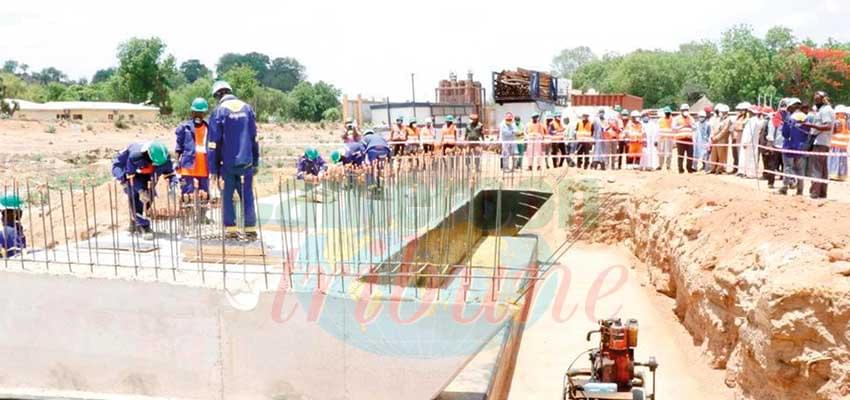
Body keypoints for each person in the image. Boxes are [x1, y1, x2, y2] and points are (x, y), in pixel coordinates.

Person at [208, 80, 260, 240]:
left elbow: (213, 144)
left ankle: (231, 230)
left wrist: (213, 169)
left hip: (227, 165)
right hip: (247, 163)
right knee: (247, 196)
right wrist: (256, 161)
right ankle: (250, 230)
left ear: (218, 95)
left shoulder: (218, 112)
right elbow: (254, 138)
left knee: (228, 198)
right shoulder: (247, 108)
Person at [112, 141, 178, 240]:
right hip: (127, 171)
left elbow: (170, 174)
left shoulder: (164, 159)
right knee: (135, 197)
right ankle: (144, 226)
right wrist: (140, 190)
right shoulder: (135, 157)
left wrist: (173, 186)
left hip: (149, 175)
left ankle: (135, 220)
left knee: (149, 196)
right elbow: (131, 177)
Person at [175, 97, 210, 203]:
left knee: (204, 196)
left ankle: (202, 218)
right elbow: (178, 147)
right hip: (187, 168)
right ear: (192, 112)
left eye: (201, 113)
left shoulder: (209, 127)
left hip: (204, 168)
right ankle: (189, 217)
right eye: (196, 112)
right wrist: (177, 162)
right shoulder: (184, 128)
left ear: (204, 113)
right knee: (187, 196)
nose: (198, 115)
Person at [801, 91, 836, 199]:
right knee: (823, 168)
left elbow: (827, 126)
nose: (815, 100)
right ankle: (822, 192)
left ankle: (815, 192)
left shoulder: (825, 110)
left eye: (817, 99)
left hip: (820, 142)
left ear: (823, 99)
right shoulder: (825, 110)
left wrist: (811, 125)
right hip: (823, 142)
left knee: (816, 168)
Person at [779, 98, 808, 195]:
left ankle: (785, 187)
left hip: (789, 147)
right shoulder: (806, 117)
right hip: (801, 147)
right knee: (800, 170)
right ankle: (800, 190)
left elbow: (785, 134)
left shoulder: (789, 118)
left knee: (788, 167)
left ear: (791, 107)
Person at [763, 104, 785, 188]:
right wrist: (770, 145)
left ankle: (785, 183)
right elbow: (770, 134)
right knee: (772, 165)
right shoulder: (774, 120)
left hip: (785, 147)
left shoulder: (788, 120)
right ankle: (770, 182)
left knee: (785, 166)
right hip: (775, 146)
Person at [708, 104, 732, 174]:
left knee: (721, 155)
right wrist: (712, 136)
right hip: (715, 139)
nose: (722, 113)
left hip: (722, 140)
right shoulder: (718, 119)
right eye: (721, 112)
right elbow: (714, 128)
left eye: (724, 112)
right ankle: (713, 168)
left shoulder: (728, 120)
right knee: (714, 154)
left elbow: (724, 131)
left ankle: (720, 169)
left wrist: (717, 137)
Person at [673, 104, 696, 174]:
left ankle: (689, 168)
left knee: (690, 155)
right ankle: (681, 169)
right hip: (680, 140)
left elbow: (695, 128)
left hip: (689, 139)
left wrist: (691, 125)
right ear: (681, 111)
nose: (685, 111)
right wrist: (682, 126)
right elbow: (673, 128)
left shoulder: (691, 118)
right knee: (680, 155)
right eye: (684, 110)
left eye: (686, 110)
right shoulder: (677, 118)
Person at [829, 105, 848, 181]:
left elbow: (833, 131)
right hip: (843, 144)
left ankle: (834, 174)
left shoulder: (837, 121)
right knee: (842, 160)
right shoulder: (846, 122)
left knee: (835, 159)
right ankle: (841, 175)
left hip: (835, 143)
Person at [731, 102, 751, 174]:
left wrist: (737, 128)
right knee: (736, 154)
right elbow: (734, 126)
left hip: (743, 137)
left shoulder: (748, 119)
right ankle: (736, 168)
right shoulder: (738, 117)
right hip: (736, 137)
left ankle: (743, 170)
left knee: (742, 154)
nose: (740, 111)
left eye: (742, 110)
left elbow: (741, 127)